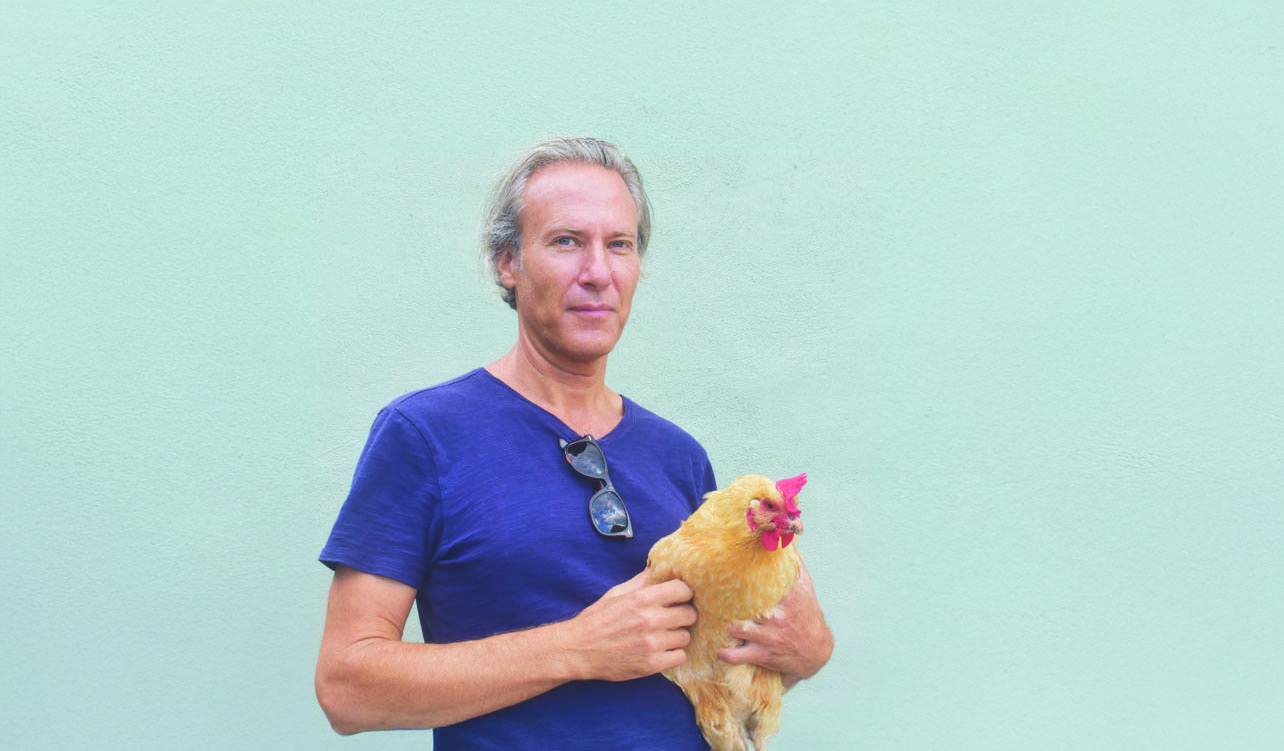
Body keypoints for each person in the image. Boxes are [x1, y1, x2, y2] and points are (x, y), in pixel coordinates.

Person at [315, 137, 833, 750]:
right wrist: (576, 648)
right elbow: (348, 687)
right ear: (508, 262)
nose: (598, 272)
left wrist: (806, 651)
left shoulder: (679, 457)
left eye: (619, 245)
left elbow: (715, 673)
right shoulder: (425, 436)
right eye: (566, 241)